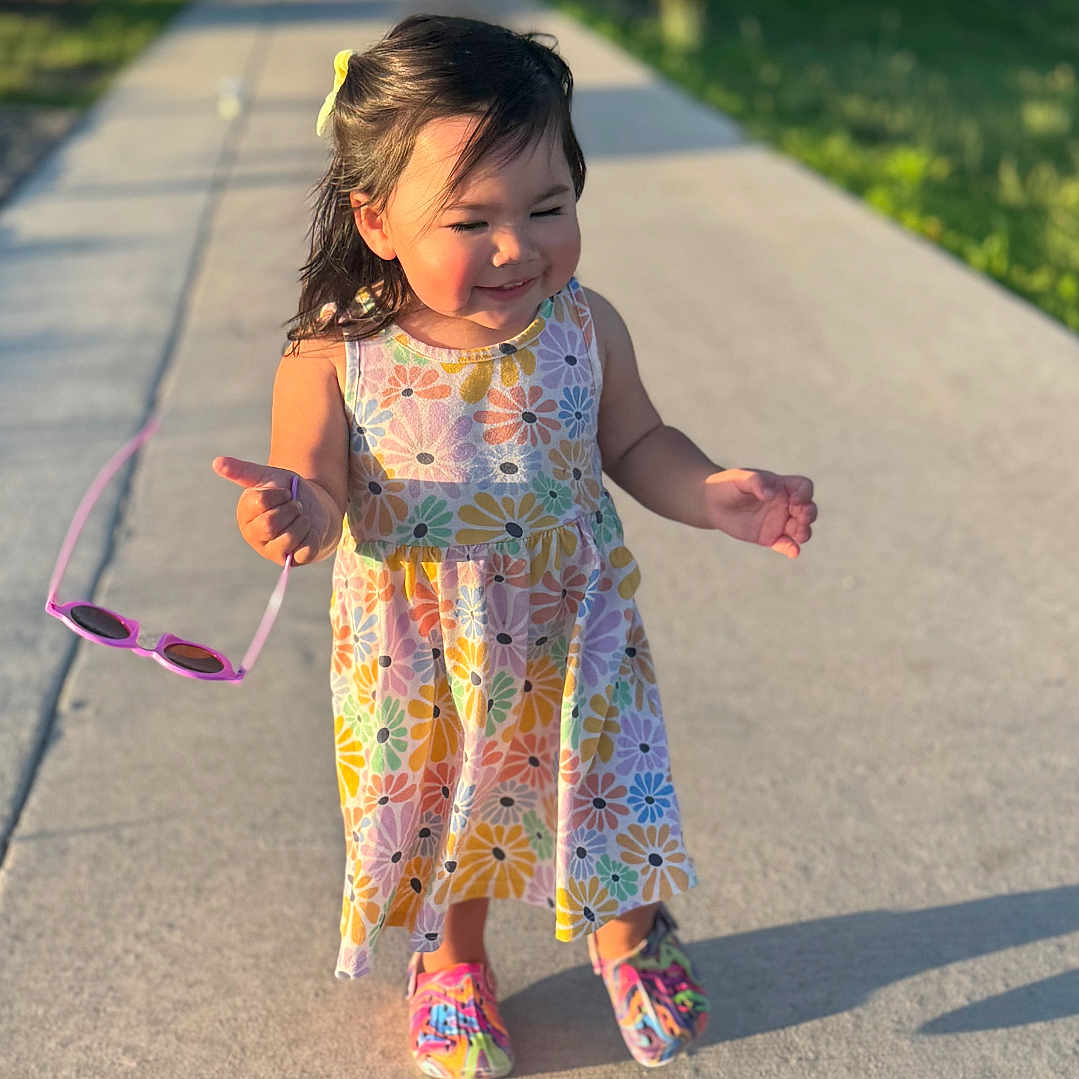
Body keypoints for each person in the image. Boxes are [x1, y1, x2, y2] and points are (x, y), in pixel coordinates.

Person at [213, 14, 816, 1078]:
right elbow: (310, 481)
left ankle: (628, 932)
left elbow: (634, 438)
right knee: (447, 810)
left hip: (569, 632)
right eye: (472, 219)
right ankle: (449, 963)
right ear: (377, 219)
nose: (516, 247)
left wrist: (713, 490)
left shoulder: (585, 326)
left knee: (601, 788)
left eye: (548, 207)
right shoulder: (335, 350)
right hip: (419, 656)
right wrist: (292, 512)